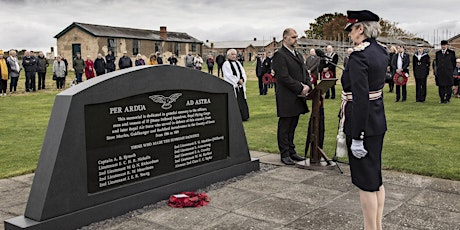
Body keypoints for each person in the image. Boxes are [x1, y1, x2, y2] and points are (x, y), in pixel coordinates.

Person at [341, 10, 387, 230]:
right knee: (376, 179)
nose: (350, 34)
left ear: (360, 28)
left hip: (363, 124)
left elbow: (360, 99)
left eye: (351, 29)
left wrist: (357, 136)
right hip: (377, 120)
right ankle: (377, 226)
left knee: (366, 184)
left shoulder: (359, 55)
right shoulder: (381, 51)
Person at [271, 28, 312, 165]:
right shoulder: (280, 55)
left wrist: (308, 85)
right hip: (287, 96)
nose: (296, 39)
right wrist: (300, 87)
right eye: (293, 37)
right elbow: (283, 77)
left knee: (293, 124)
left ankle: (292, 151)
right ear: (285, 38)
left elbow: (304, 72)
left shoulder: (298, 54)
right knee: (285, 125)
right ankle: (285, 153)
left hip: (298, 96)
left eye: (296, 37)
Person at [222, 48, 249, 121]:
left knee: (242, 100)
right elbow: (228, 75)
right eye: (232, 54)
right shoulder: (226, 64)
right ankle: (235, 117)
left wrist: (242, 80)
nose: (234, 56)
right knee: (234, 101)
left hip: (240, 86)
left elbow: (243, 73)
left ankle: (244, 116)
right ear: (228, 55)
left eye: (235, 54)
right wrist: (237, 81)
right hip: (233, 86)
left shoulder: (238, 63)